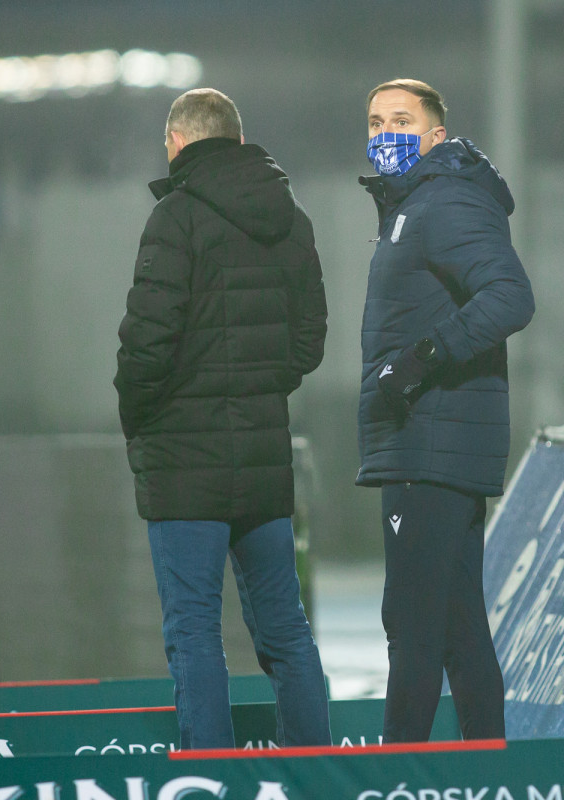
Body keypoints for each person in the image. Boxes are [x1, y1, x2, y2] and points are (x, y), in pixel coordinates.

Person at [114, 88, 331, 749]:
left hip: (185, 466)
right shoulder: (291, 218)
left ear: (177, 142)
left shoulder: (174, 218)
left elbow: (146, 344)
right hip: (263, 461)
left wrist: (140, 419)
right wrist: (259, 390)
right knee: (287, 631)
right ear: (237, 140)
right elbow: (309, 342)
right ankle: (314, 775)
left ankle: (209, 779)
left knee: (194, 633)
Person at [357, 79, 535, 741]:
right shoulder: (414, 205)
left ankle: (398, 777)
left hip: (431, 441)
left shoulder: (445, 201)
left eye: (402, 121)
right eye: (376, 121)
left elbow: (510, 297)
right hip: (429, 441)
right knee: (460, 632)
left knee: (411, 628)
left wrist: (419, 361)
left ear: (436, 135)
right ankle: (487, 774)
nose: (386, 133)